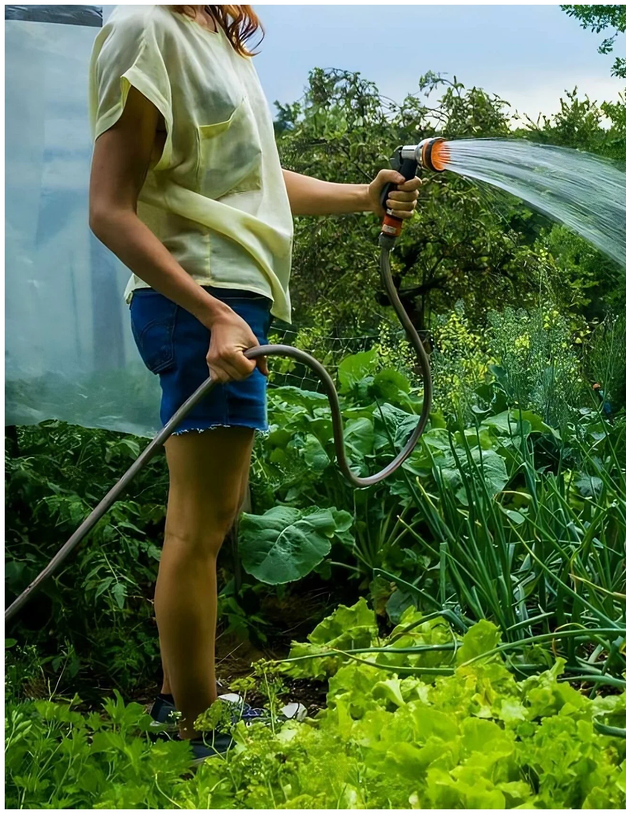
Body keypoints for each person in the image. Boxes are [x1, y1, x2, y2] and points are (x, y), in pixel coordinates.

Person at [87, 5, 422, 760]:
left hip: (229, 297)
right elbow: (109, 209)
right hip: (200, 296)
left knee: (204, 515)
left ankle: (182, 700)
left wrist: (362, 196)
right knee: (198, 527)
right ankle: (202, 731)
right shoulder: (146, 26)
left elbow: (256, 186)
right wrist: (211, 314)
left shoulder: (219, 41)